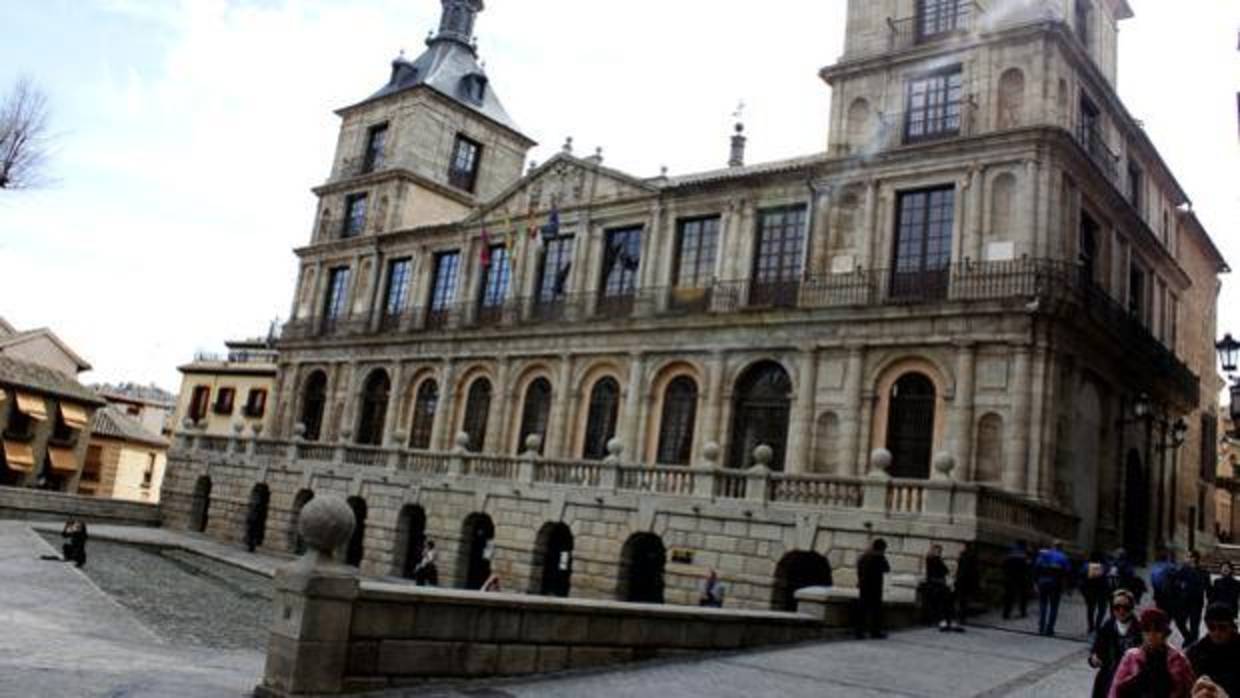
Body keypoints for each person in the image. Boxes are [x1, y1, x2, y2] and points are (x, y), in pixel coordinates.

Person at [1109, 607, 1196, 698]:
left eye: (1157, 630)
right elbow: (1115, 691)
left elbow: (1192, 691)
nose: (1152, 635)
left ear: (1164, 633)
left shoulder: (1178, 659)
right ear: (1142, 632)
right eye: (1147, 630)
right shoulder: (1131, 657)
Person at [1090, 590, 1143, 698]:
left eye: (1126, 607)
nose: (1121, 611)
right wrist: (1094, 658)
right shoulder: (1107, 627)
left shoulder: (1140, 629)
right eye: (1117, 607)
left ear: (1132, 607)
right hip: (1108, 679)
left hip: (1132, 681)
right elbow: (1096, 650)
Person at [1186, 603, 1240, 698]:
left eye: (1222, 627)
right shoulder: (1196, 651)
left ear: (1231, 627)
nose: (1216, 632)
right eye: (1211, 627)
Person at [856, 538, 891, 640]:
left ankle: (860, 632)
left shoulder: (864, 556)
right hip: (874, 587)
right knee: (876, 610)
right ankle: (875, 631)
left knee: (862, 609)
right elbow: (887, 569)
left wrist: (860, 580)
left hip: (864, 586)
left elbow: (859, 568)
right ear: (882, 548)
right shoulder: (879, 558)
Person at [1034, 540, 1071, 636]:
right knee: (1054, 606)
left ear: (1052, 546)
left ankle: (1041, 626)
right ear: (1061, 547)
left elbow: (1036, 568)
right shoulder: (1063, 557)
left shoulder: (1044, 555)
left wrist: (1035, 582)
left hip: (1042, 582)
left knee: (1043, 604)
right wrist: (1067, 587)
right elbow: (1068, 572)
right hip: (1055, 583)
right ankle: (1049, 628)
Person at [924, 544, 962, 632]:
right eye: (938, 551)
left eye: (940, 551)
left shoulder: (935, 559)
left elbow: (945, 571)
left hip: (938, 585)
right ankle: (946, 622)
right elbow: (942, 571)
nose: (939, 552)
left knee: (947, 603)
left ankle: (948, 622)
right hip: (936, 585)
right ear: (934, 551)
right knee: (944, 603)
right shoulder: (933, 559)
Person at [1177, 552, 1210, 644]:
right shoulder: (1183, 570)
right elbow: (1176, 582)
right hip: (1184, 601)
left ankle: (1193, 645)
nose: (1186, 558)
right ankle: (1189, 638)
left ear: (1193, 558)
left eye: (1188, 556)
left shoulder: (1203, 572)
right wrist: (1180, 586)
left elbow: (1208, 588)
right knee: (1180, 621)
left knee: (1194, 626)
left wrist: (1209, 602)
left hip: (1197, 602)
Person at [1084, 552, 1111, 635]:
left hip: (1090, 590)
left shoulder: (1087, 565)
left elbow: (1082, 574)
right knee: (1102, 609)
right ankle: (1097, 626)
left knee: (1090, 609)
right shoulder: (1104, 567)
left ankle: (1090, 627)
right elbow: (1108, 570)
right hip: (1102, 591)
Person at [1002, 540, 1031, 619]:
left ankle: (1006, 613)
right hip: (1021, 577)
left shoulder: (1010, 553)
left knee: (1009, 595)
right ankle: (1022, 612)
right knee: (1023, 595)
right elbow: (1027, 567)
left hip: (1009, 576)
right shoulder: (1024, 555)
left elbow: (1004, 564)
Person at [955, 542, 980, 626]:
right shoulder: (973, 556)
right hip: (968, 581)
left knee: (961, 600)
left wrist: (957, 578)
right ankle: (962, 618)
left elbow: (960, 569)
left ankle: (960, 617)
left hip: (962, 580)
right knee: (964, 600)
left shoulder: (963, 556)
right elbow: (975, 570)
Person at [1151, 550, 1181, 618]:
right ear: (1167, 558)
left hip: (1157, 594)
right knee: (1167, 614)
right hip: (1167, 595)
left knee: (1159, 613)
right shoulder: (1170, 566)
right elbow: (1177, 576)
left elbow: (1153, 581)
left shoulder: (1154, 566)